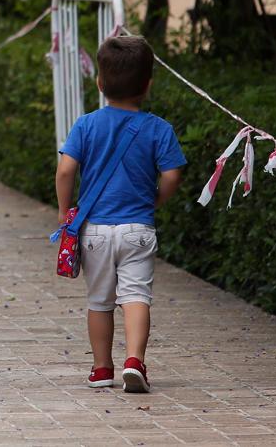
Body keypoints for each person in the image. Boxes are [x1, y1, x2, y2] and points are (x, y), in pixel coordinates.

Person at [55, 36, 185, 394]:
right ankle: (134, 361)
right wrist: (157, 200)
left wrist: (66, 212)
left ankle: (101, 369)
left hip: (94, 230)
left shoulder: (86, 125)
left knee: (99, 302)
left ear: (99, 82)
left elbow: (66, 170)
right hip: (137, 229)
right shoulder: (160, 129)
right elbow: (173, 174)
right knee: (136, 297)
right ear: (148, 85)